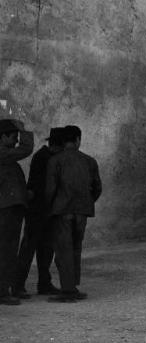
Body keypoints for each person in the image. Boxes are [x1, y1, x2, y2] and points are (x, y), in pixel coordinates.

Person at [46, 125, 102, 302]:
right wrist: (86, 202)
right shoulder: (89, 161)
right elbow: (97, 188)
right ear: (78, 139)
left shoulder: (55, 161)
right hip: (81, 212)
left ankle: (68, 290)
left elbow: (50, 190)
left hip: (62, 211)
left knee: (64, 251)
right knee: (76, 248)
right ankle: (73, 286)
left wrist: (50, 207)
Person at [14, 127, 64, 298]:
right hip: (38, 210)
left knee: (44, 248)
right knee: (30, 249)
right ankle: (19, 285)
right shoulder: (45, 158)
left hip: (42, 209)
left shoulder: (45, 156)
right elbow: (42, 186)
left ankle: (40, 283)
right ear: (60, 145)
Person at [0, 119, 34, 305]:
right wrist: (23, 130)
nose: (16, 141)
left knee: (9, 250)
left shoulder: (8, 159)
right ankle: (3, 292)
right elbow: (26, 149)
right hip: (5, 210)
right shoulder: (3, 154)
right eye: (13, 137)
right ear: (2, 137)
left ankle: (8, 289)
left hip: (11, 209)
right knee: (5, 251)